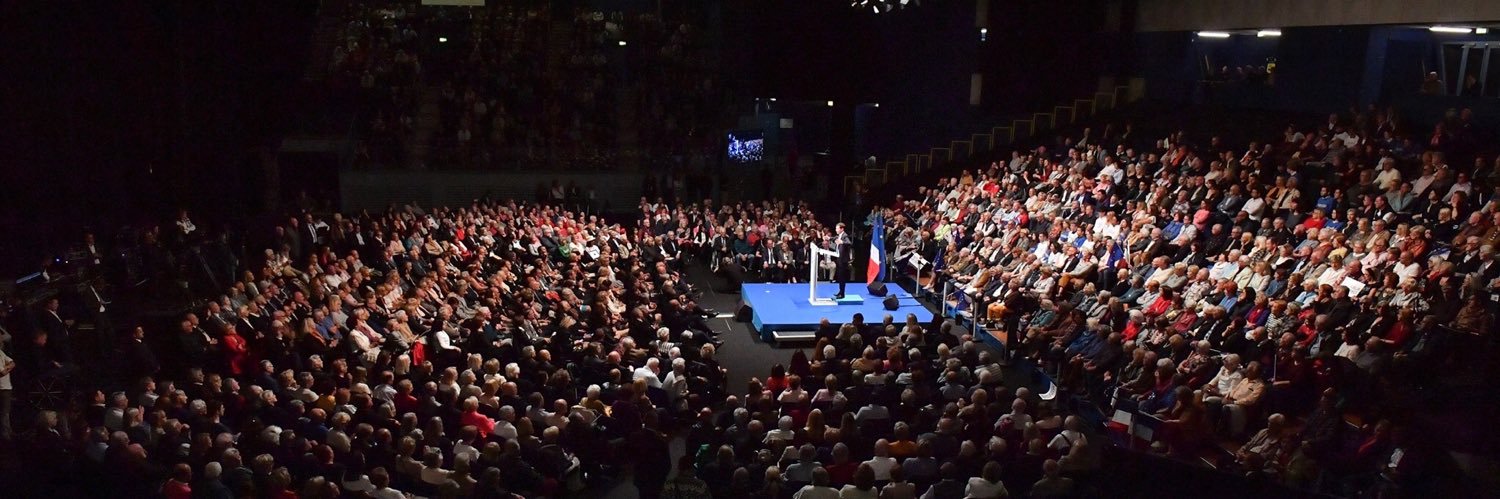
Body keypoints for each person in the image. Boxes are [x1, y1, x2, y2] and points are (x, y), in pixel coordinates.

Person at [834, 223, 854, 299]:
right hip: (839, 259)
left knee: (842, 277)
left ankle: (842, 294)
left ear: (842, 229)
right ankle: (840, 291)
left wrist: (842, 242)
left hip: (843, 260)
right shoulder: (839, 235)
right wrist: (828, 238)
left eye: (837, 228)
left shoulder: (845, 235)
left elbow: (849, 243)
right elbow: (834, 238)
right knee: (839, 277)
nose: (836, 230)